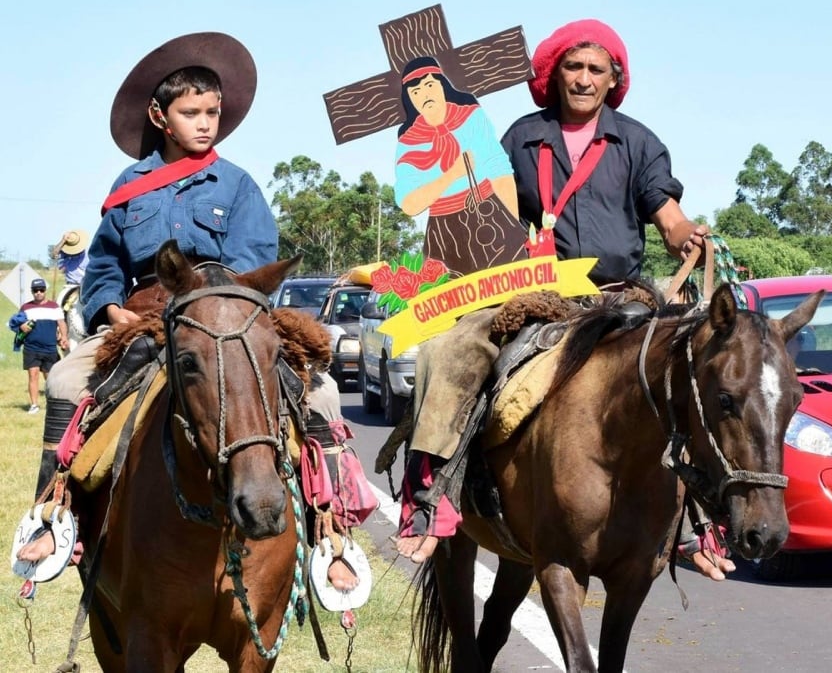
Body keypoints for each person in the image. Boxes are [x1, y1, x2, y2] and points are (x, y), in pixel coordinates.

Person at [17, 32, 361, 594]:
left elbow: (253, 261)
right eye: (191, 113)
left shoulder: (238, 185)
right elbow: (105, 263)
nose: (205, 124)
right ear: (160, 116)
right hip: (141, 322)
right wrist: (110, 309)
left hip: (222, 320)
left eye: (212, 113)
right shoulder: (129, 187)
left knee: (319, 393)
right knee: (63, 379)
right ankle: (53, 512)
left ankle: (332, 532)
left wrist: (215, 305)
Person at [392, 19, 731, 581]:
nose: (583, 79)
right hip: (535, 295)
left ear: (613, 80)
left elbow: (666, 212)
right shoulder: (521, 139)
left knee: (690, 372)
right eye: (574, 67)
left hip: (619, 299)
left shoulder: (638, 142)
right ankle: (431, 497)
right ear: (554, 74)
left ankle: (696, 521)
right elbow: (491, 214)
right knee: (447, 352)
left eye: (596, 69)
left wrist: (685, 233)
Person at [394, 56, 528, 276]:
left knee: (507, 283)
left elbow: (498, 168)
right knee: (453, 291)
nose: (424, 95)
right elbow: (409, 203)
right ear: (409, 99)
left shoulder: (470, 116)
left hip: (488, 214)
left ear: (442, 84)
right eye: (415, 91)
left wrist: (512, 229)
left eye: (429, 85)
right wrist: (451, 175)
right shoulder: (409, 141)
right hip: (444, 231)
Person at [10, 278, 68, 413]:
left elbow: (61, 323)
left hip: (50, 348)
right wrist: (21, 326)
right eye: (35, 290)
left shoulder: (54, 307)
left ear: (45, 291)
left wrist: (64, 337)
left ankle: (52, 404)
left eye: (41, 290)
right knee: (33, 375)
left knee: (50, 379)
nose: (38, 293)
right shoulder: (26, 307)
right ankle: (34, 405)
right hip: (31, 348)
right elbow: (17, 322)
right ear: (32, 292)